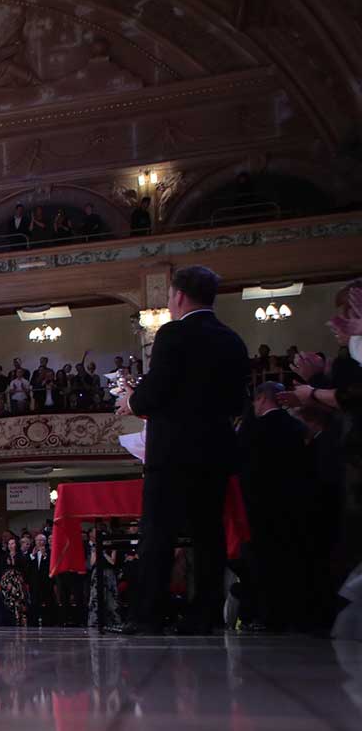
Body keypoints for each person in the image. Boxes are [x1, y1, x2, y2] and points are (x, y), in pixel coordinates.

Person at [117, 265, 250, 633]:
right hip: (215, 451)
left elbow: (156, 392)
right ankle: (205, 615)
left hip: (173, 452)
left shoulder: (173, 334)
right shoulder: (232, 339)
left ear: (177, 296)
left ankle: (148, 615)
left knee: (158, 533)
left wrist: (132, 400)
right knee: (209, 534)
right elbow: (238, 401)